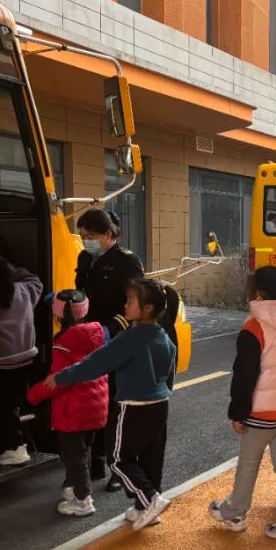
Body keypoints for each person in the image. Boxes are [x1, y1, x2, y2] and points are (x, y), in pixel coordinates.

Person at [44, 279, 177, 532]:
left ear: (146, 309)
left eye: (130, 301)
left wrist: (61, 377)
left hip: (132, 406)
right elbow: (169, 370)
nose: (125, 305)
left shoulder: (130, 338)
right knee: (151, 457)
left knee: (118, 459)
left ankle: (150, 499)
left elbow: (96, 363)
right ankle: (145, 506)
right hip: (160, 403)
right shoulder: (163, 335)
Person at [208, 266, 276, 543]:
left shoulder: (254, 326)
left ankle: (234, 513)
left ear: (260, 293)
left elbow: (244, 375)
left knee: (248, 464)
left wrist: (237, 412)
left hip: (262, 412)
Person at [75, 208, 144, 491]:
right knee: (93, 403)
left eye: (90, 236)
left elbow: (135, 305)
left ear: (108, 234)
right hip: (89, 339)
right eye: (82, 237)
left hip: (116, 340)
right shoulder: (85, 258)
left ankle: (120, 467)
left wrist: (110, 330)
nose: (86, 242)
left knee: (117, 407)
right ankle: (96, 462)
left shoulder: (126, 262)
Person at [27, 290, 110, 517]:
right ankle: (75, 489)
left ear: (58, 316)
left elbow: (59, 381)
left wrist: (33, 395)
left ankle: (83, 500)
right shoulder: (98, 333)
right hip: (96, 406)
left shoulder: (63, 343)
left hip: (73, 410)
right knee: (85, 451)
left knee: (74, 457)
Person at [0, 254, 42, 466]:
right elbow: (35, 279)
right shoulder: (24, 291)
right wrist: (11, 268)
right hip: (26, 359)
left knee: (6, 407)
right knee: (12, 405)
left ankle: (14, 448)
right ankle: (19, 444)